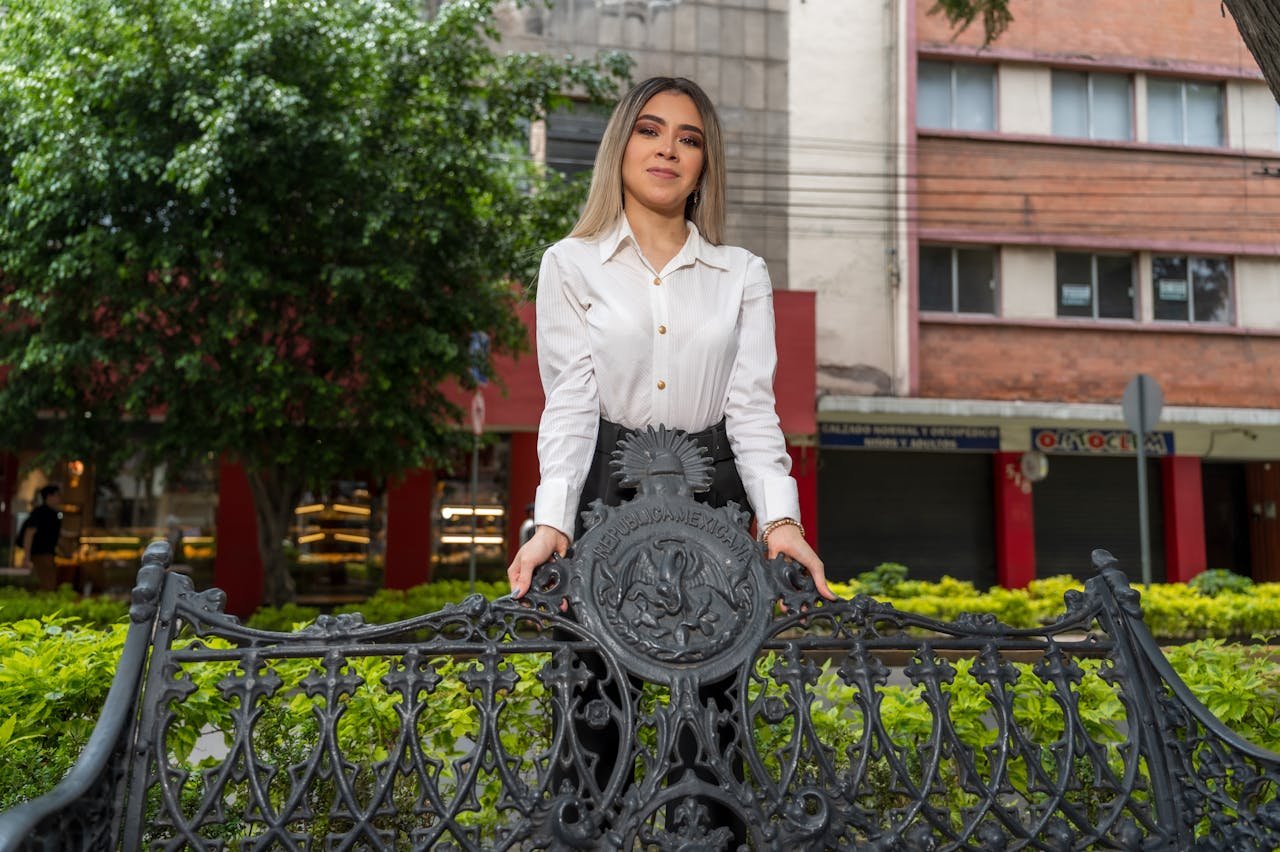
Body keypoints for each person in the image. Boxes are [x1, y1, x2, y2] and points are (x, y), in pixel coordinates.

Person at [507, 75, 834, 601]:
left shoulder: (742, 273)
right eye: (650, 130)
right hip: (602, 492)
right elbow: (570, 403)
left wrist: (781, 522)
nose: (668, 149)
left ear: (704, 165)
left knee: (718, 678)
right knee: (594, 680)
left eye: (689, 139)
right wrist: (553, 524)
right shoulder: (569, 263)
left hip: (717, 499)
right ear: (621, 147)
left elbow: (751, 410)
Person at [19, 484, 63, 591]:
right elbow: (29, 534)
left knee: (46, 585)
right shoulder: (40, 513)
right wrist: (27, 557)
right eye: (57, 495)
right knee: (47, 586)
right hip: (40, 555)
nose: (59, 498)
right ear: (49, 496)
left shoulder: (53, 514)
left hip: (47, 554)